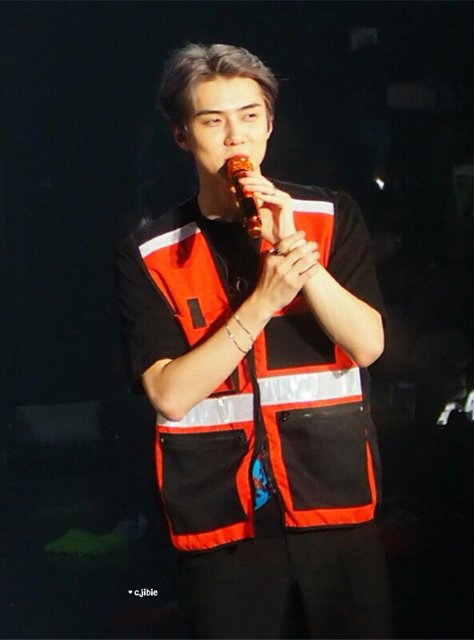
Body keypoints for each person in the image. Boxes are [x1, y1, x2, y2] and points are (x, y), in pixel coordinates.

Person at [115, 42, 393, 639]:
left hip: (333, 498)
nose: (235, 136)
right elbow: (169, 394)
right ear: (182, 136)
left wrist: (298, 256)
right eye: (213, 121)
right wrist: (263, 301)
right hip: (223, 517)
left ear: (269, 124)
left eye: (248, 116)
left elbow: (368, 345)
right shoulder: (151, 252)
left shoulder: (330, 216)